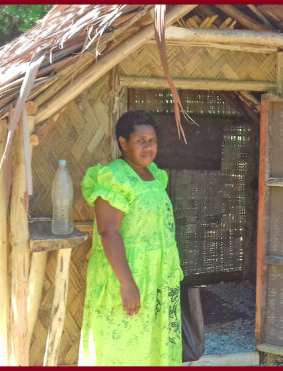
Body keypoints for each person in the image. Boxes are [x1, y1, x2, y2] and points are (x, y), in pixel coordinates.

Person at [78, 109, 184, 366]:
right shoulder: (114, 178)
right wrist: (127, 284)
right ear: (123, 143)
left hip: (156, 275)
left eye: (152, 141)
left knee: (152, 342)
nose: (149, 146)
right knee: (122, 344)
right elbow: (108, 231)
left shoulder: (155, 175)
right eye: (141, 141)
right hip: (126, 275)